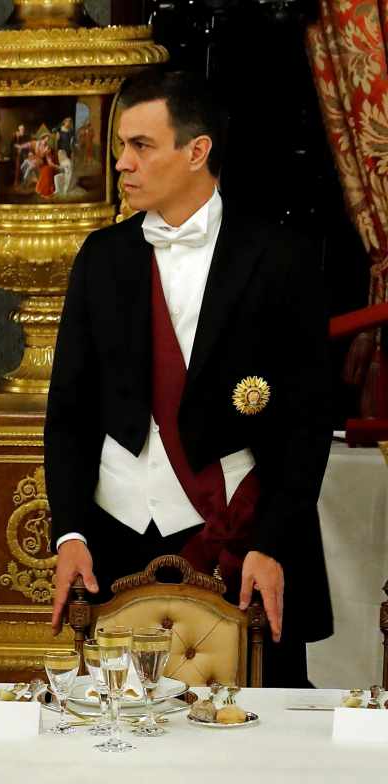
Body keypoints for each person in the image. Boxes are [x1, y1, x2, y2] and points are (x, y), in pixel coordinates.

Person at [45, 69, 332, 688]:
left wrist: (273, 542)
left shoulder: (282, 258)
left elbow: (307, 423)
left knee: (253, 728)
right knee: (120, 729)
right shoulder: (101, 257)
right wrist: (69, 532)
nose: (122, 163)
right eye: (121, 145)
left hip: (236, 535)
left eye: (140, 146)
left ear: (196, 151)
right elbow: (69, 410)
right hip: (116, 537)